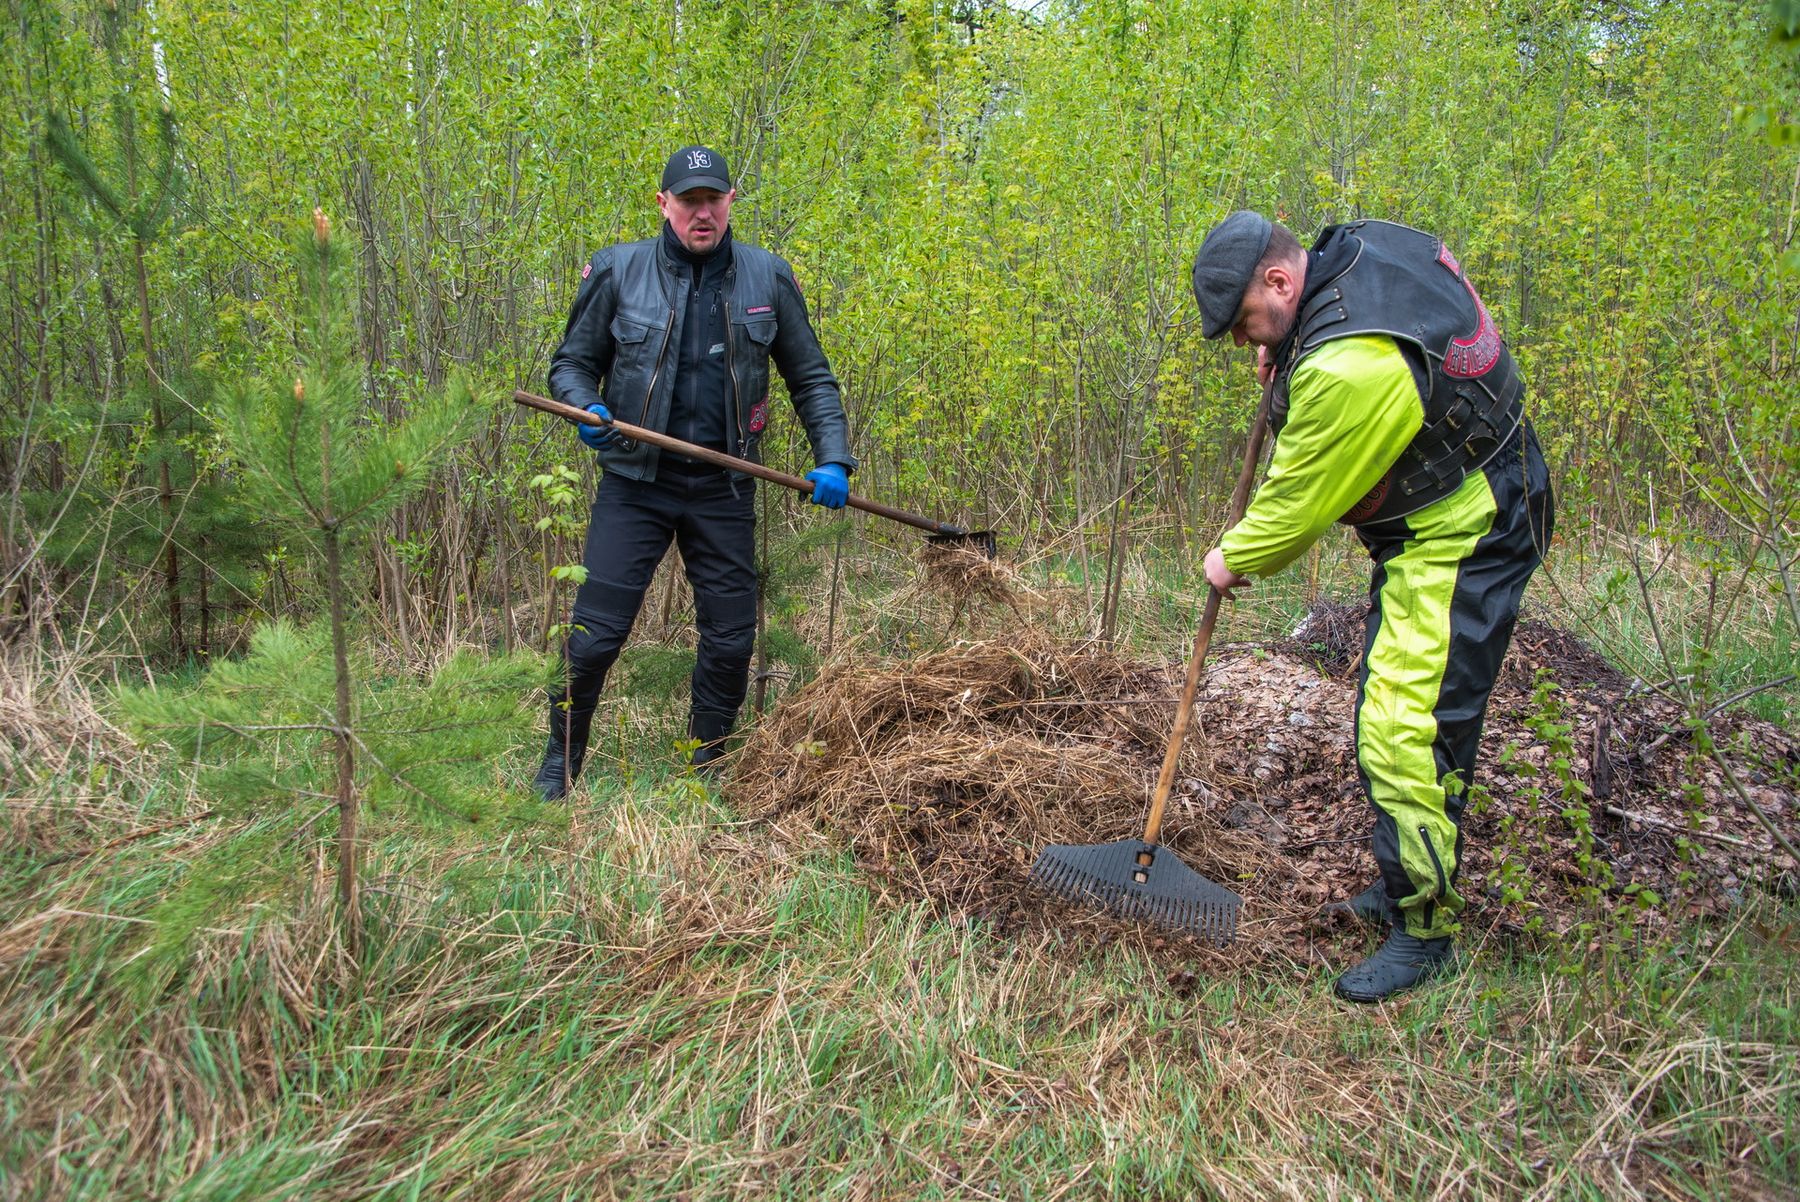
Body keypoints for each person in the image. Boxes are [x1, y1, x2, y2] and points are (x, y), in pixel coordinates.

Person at [1190, 211, 1554, 1002]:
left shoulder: (1349, 368)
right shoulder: (1357, 252)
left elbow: (1294, 509)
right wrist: (1286, 349)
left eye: (1245, 324)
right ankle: (1406, 878)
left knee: (1401, 729)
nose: (1245, 344)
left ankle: (1424, 928)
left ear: (1280, 281)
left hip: (1464, 530)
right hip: (1481, 491)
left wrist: (1231, 557)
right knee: (1414, 712)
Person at [533, 145, 856, 800]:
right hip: (635, 483)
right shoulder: (618, 271)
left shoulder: (768, 278)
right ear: (664, 205)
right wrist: (583, 407)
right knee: (592, 639)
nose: (701, 213)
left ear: (731, 201)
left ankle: (702, 770)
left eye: (713, 199)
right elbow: (570, 364)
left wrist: (833, 456)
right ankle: (558, 769)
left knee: (731, 640)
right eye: (688, 201)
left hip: (723, 486)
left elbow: (812, 379)